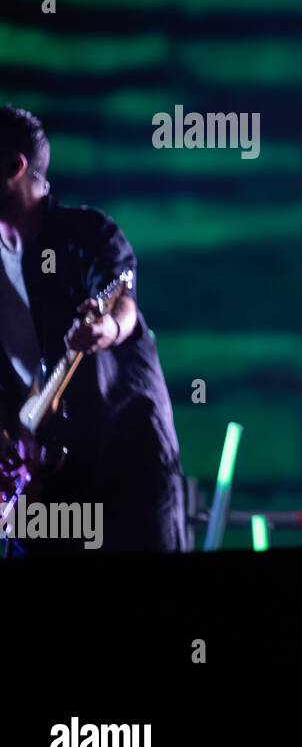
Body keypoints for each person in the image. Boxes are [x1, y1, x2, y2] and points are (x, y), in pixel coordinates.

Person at [0, 106, 187, 554]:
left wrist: (108, 326)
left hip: (130, 466)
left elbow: (121, 299)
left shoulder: (89, 233)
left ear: (14, 167)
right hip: (51, 477)